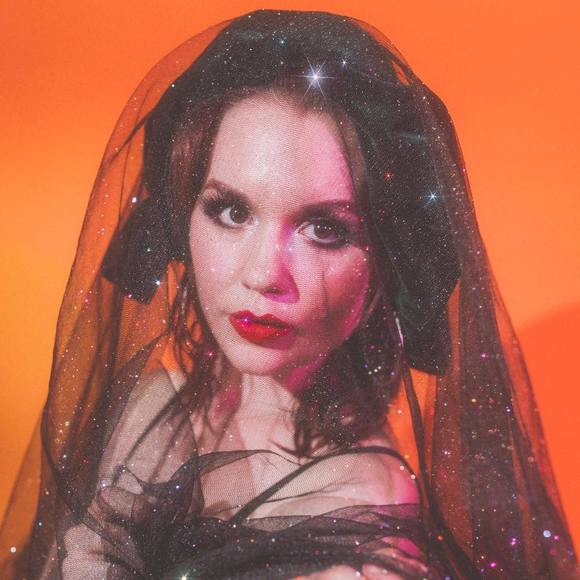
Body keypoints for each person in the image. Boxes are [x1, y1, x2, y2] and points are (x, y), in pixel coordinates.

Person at [0, 8, 576, 579]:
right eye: (231, 211)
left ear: (388, 263)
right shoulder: (153, 407)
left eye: (324, 229)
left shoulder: (361, 521)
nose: (262, 274)